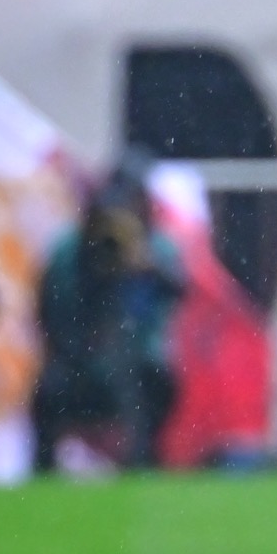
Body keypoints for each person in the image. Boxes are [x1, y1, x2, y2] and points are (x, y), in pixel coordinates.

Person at [32, 164, 184, 472]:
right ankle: (45, 468)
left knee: (155, 381)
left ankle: (144, 460)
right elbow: (51, 312)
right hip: (79, 361)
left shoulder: (155, 247)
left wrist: (145, 266)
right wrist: (94, 273)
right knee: (48, 391)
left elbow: (178, 289)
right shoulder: (69, 251)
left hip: (137, 361)